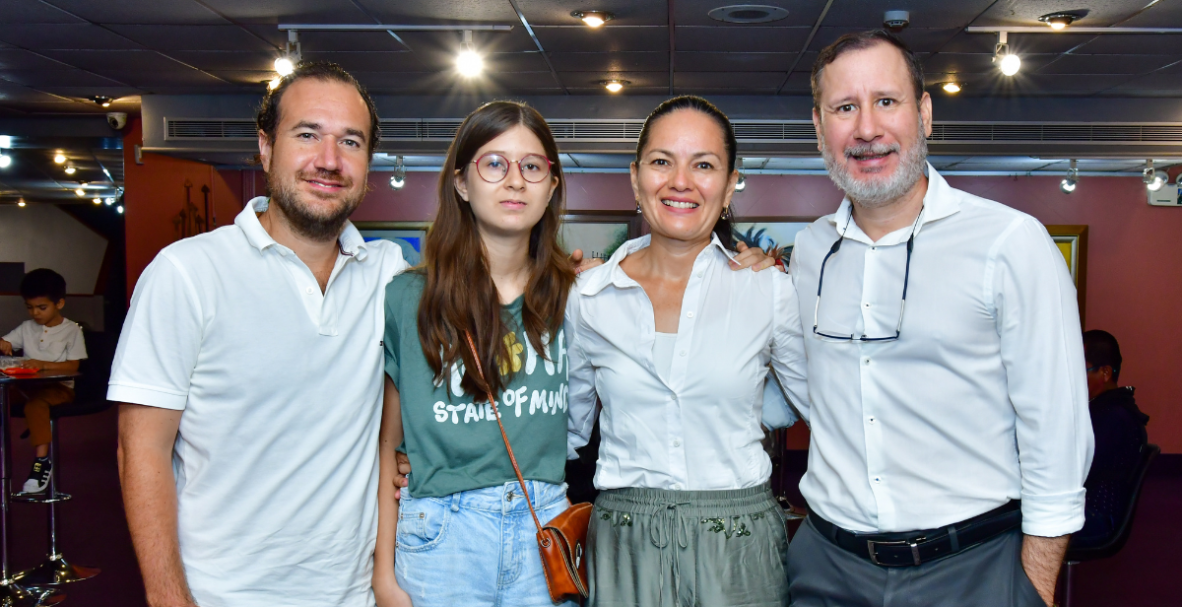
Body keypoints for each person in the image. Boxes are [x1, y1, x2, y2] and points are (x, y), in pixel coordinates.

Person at [784, 31, 1093, 607]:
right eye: (844, 107)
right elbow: (810, 393)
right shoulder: (808, 252)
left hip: (972, 569)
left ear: (924, 113)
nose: (867, 128)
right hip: (826, 566)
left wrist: (1034, 587)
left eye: (887, 101)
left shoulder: (1009, 242)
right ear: (819, 127)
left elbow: (1057, 430)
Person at [110, 62, 411, 606]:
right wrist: (167, 597)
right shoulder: (187, 273)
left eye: (350, 141)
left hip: (352, 594)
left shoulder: (389, 273)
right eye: (307, 135)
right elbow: (141, 450)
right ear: (266, 147)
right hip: (221, 593)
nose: (329, 160)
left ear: (368, 163)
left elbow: (483, 298)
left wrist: (577, 283)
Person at [565, 95, 810, 607]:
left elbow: (826, 411)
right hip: (624, 541)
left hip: (740, 544)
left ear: (728, 184)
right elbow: (561, 431)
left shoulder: (768, 290)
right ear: (636, 179)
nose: (681, 181)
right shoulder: (588, 298)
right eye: (661, 162)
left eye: (703, 164)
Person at [373, 100, 580, 607]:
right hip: (442, 533)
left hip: (543, 524)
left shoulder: (579, 297)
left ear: (552, 185)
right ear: (462, 183)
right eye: (494, 163)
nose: (515, 181)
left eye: (532, 166)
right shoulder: (407, 297)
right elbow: (387, 446)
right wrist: (382, 573)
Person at [0, 268, 87, 494]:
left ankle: (41, 462)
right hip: (28, 386)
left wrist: (42, 364)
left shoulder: (72, 331)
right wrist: (3, 343)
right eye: (30, 307)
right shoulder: (27, 327)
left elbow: (73, 366)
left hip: (59, 388)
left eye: (41, 307)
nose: (35, 313)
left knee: (36, 406)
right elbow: (6, 340)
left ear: (59, 304)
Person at [1075, 330, 1149, 546]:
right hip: (1086, 509)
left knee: (1009, 522)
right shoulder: (1106, 409)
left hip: (1096, 516)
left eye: (1081, 370)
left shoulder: (1113, 417)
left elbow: (1078, 470)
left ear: (1105, 372)